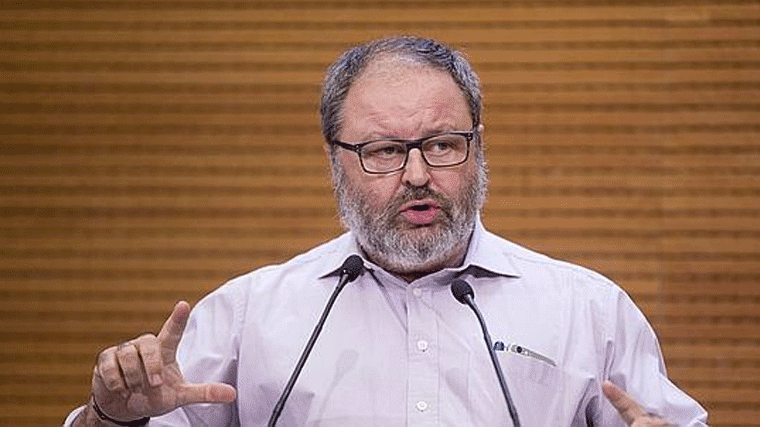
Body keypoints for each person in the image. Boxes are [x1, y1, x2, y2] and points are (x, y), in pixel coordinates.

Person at [64, 36, 708, 427]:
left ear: (478, 147)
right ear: (336, 159)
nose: (418, 175)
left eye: (443, 144)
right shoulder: (248, 315)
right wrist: (110, 419)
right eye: (384, 151)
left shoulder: (587, 310)